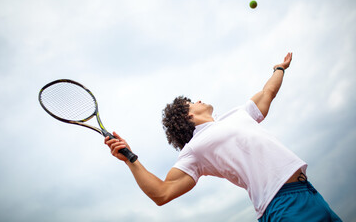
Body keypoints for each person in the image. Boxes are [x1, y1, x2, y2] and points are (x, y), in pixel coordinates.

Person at [104, 53, 342, 221]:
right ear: (187, 117)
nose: (197, 100)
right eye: (191, 103)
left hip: (309, 193)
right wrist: (130, 159)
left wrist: (279, 69)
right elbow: (162, 193)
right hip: (283, 205)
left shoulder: (237, 114)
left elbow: (268, 92)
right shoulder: (195, 149)